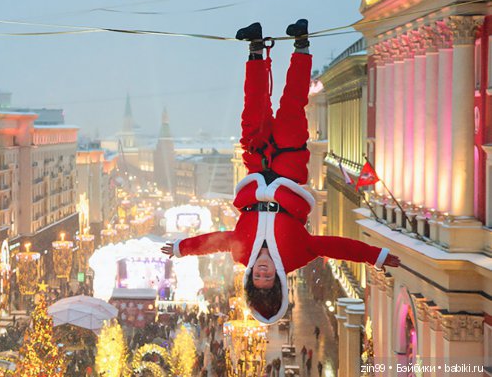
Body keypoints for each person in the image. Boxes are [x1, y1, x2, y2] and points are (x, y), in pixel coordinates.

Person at [162, 19, 401, 325]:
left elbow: (215, 240)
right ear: (277, 278)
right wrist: (376, 255)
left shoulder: (240, 252)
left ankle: (256, 49)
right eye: (267, 277)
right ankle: (301, 45)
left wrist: (183, 247)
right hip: (288, 170)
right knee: (292, 107)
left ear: (251, 276)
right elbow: (338, 246)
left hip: (257, 170)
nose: (262, 271)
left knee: (252, 114)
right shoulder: (296, 254)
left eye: (257, 277)